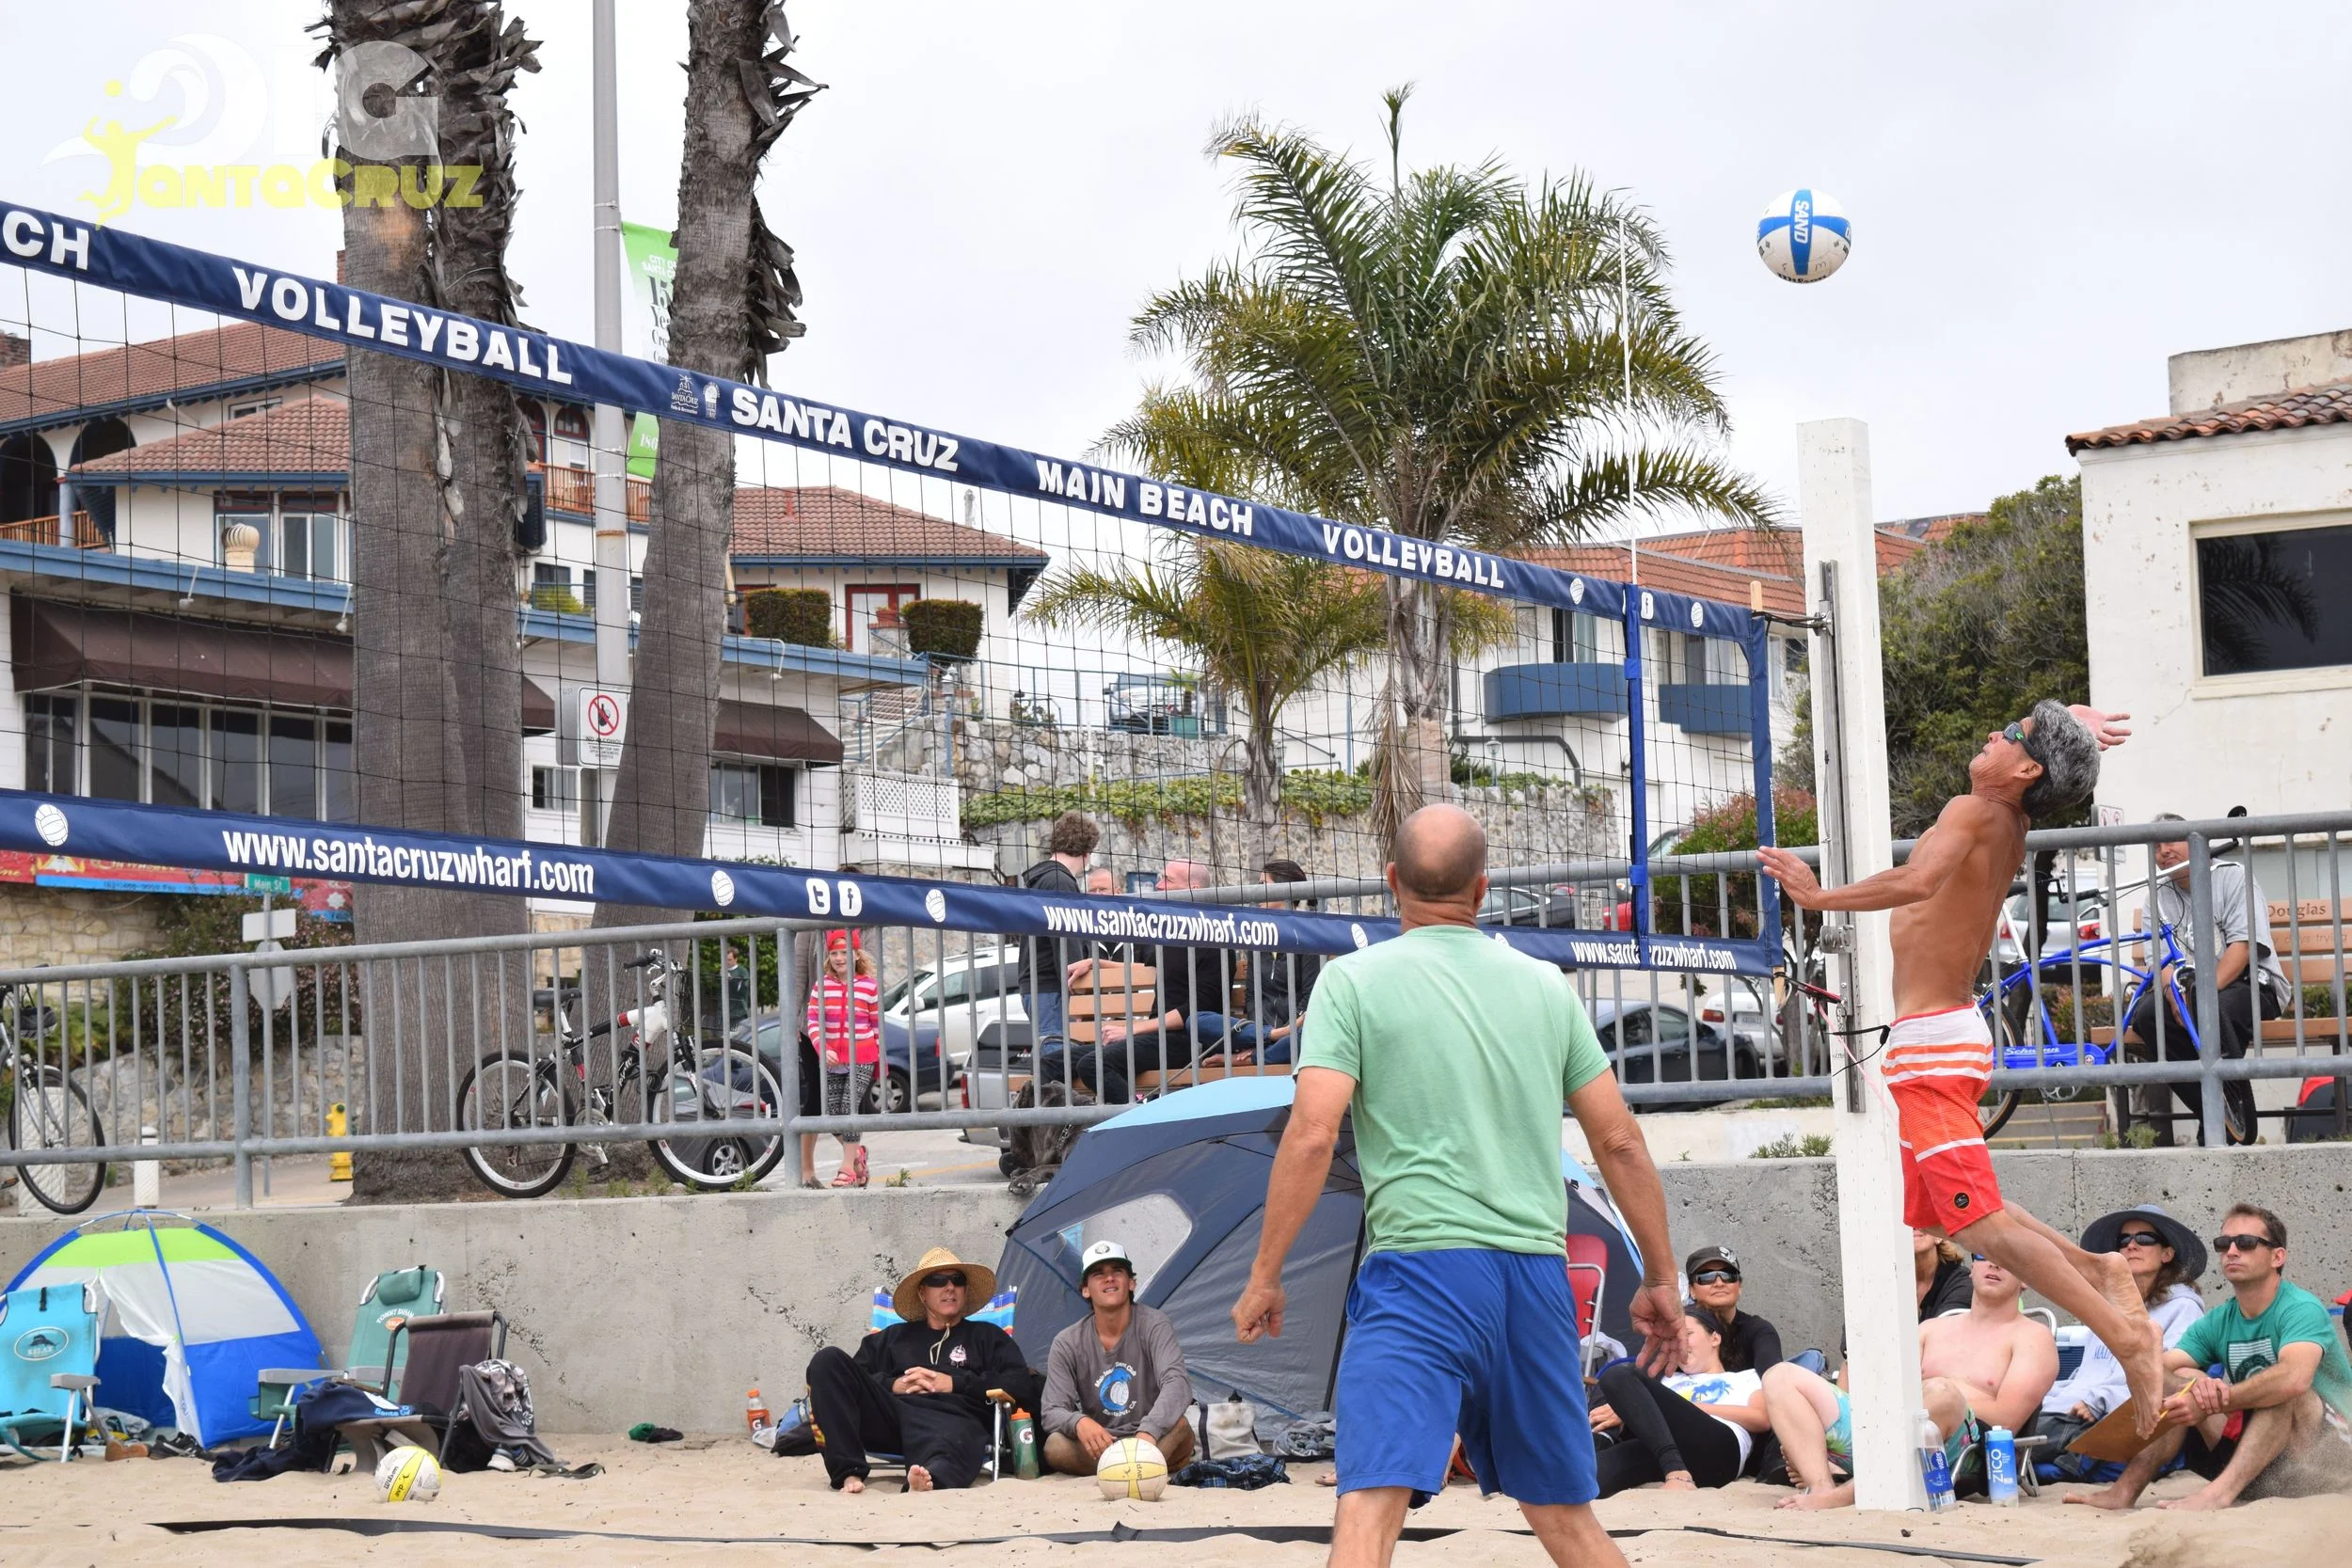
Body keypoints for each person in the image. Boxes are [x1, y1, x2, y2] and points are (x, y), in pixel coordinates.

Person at [1230, 804, 1683, 1568]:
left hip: (1421, 1269)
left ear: (1392, 882)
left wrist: (1266, 1272)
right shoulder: (1544, 986)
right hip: (1536, 1275)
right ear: (1482, 888)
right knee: (1564, 1514)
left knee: (1371, 1502)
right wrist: (1662, 1276)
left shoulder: (1352, 981)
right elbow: (1619, 1141)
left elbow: (1311, 1135)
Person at [1757, 700, 2172, 1433]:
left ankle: (2126, 1334)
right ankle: (2099, 1267)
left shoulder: (1974, 809)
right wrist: (2063, 719)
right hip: (1934, 1035)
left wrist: (1817, 895)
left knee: (1974, 1217)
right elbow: (2026, 760)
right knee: (1966, 1219)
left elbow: (1917, 881)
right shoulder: (2008, 818)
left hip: (1935, 1042)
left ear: (2026, 770)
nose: (1992, 730)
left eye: (2010, 734)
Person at [2069, 1203, 2352, 1512]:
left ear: (2277, 1256)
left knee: (2282, 1391)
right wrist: (2193, 1389)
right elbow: (2154, 1370)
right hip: (2267, 1467)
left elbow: (2294, 1379)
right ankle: (2124, 1491)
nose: (2231, 1251)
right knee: (2185, 1388)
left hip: (2328, 1457)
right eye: (2223, 1244)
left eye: (2245, 1243)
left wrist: (2221, 1399)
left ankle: (2219, 1494)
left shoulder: (2300, 1308)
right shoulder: (2220, 1320)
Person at [1765, 1252, 2057, 1509]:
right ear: (1972, 1268)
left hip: (1960, 1451)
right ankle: (1821, 1483)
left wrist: (1934, 1393)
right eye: (1982, 1254)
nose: (1994, 1262)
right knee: (1780, 1376)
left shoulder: (2032, 1337)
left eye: (2008, 1258)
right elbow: (1870, 1389)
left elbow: (2005, 1421)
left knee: (1942, 1393)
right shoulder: (1931, 1329)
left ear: (2025, 1277)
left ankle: (1847, 1495)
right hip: (1884, 1431)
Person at [802, 1248, 1037, 1493]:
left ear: (965, 1290)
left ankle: (928, 1480)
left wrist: (955, 1383)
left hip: (955, 1419)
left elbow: (1021, 1384)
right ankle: (848, 1472)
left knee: (954, 1442)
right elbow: (854, 1379)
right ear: (922, 1293)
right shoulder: (893, 1338)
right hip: (892, 1418)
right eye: (937, 1281)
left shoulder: (987, 1337)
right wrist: (893, 1384)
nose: (949, 1287)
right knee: (827, 1360)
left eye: (957, 1280)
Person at [2117, 815, 2291, 1146]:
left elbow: (2242, 947)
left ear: (2197, 842)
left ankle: (2219, 1119)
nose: (2163, 851)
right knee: (2148, 1015)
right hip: (2187, 992)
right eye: (2156, 845)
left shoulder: (2232, 877)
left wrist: (2200, 998)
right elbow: (2159, 962)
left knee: (2218, 1010)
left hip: (2248, 982)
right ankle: (2217, 1116)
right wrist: (2174, 997)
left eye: (2171, 840)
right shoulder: (2157, 896)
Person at [2037, 1206, 2206, 1475]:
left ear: (2167, 1253)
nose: (2132, 1245)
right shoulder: (2106, 1307)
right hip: (2068, 1412)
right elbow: (2088, 1372)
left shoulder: (2183, 1307)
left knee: (2003, 1447)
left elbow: (2162, 1374)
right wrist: (2049, 1397)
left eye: (2145, 1239)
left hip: (2105, 1418)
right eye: (2123, 1240)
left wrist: (2100, 1399)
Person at [1055, 858, 1229, 1101]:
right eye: (1160, 878)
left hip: (1189, 1041)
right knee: (1051, 1063)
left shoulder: (1215, 937)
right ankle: (1063, 1137)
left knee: (1094, 1065)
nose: (1158, 886)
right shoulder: (1169, 932)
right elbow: (1144, 968)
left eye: (1167, 880)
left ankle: (1142, 1127)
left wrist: (1132, 1029)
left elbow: (1196, 1011)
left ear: (1193, 890)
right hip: (1154, 1037)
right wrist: (1096, 962)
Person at [1040, 1240, 1197, 1475]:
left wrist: (1149, 1431)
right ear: (1085, 1289)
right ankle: (1135, 1469)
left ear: (1131, 1283)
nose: (1109, 1278)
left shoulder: (1155, 1324)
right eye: (1098, 1274)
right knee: (1055, 1446)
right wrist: (1079, 1422)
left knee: (1181, 1427)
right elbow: (1051, 1410)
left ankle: (1124, 1469)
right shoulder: (1067, 1341)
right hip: (1102, 1444)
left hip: (1150, 1438)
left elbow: (1178, 1384)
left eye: (1117, 1271)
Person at [1593, 1307, 1769, 1496]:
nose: (1680, 1344)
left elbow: (1761, 1419)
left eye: (1687, 1334)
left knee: (1617, 1375)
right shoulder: (1667, 1380)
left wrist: (1690, 1408)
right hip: (1662, 1450)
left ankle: (1676, 1471)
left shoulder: (1745, 1378)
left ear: (1715, 1338)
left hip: (1719, 1451)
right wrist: (1632, 1410)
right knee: (1587, 1476)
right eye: (1672, 1339)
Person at [1195, 857, 1325, 1064]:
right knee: (1196, 1022)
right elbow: (1252, 995)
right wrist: (1261, 1034)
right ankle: (1263, 1049)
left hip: (1295, 1032)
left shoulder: (1308, 936)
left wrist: (1285, 1032)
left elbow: (1309, 999)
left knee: (1307, 1036)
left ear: (1284, 890)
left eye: (1264, 885)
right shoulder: (1258, 938)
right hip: (1263, 1035)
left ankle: (1254, 1057)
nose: (1257, 892)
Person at [1016, 812, 1100, 1046]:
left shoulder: (1045, 878)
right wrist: (1079, 990)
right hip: (1051, 987)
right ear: (1087, 851)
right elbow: (1066, 939)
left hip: (1041, 985)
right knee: (1057, 1060)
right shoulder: (1059, 882)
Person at [805, 929, 881, 1188]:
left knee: (849, 1108)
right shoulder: (821, 986)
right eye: (834, 953)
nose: (839, 958)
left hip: (862, 1055)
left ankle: (847, 1168)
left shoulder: (869, 986)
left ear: (856, 954)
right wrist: (821, 1047)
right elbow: (813, 1020)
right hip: (832, 1059)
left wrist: (878, 1059)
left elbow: (876, 1025)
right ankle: (858, 1154)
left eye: (844, 952)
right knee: (832, 1113)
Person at [1682, 1245, 1783, 1374]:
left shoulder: (1759, 1331)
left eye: (1728, 1275)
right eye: (1707, 1277)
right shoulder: (1676, 1330)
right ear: (1691, 1290)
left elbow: (1774, 1378)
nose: (1719, 1283)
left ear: (1739, 1286)